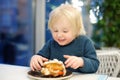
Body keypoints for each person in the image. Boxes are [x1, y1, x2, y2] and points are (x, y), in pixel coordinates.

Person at [30, 4, 99, 73]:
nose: (59, 35)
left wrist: (82, 62)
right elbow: (41, 57)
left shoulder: (85, 42)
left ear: (77, 30)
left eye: (65, 31)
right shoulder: (51, 43)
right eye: (55, 30)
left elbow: (95, 65)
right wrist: (36, 58)